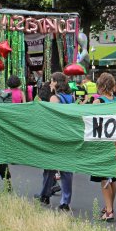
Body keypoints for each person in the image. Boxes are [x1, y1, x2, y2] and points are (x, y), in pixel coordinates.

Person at [35, 73, 75, 210]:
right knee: (66, 170)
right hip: (68, 135)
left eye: (51, 81)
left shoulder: (54, 98)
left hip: (55, 136)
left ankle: (45, 195)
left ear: (56, 83)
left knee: (49, 167)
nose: (50, 84)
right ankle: (65, 201)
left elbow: (51, 118)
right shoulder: (71, 98)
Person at [92, 73, 116, 222]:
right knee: (112, 178)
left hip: (102, 143)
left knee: (104, 177)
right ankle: (109, 206)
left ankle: (109, 211)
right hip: (115, 142)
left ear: (101, 86)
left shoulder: (98, 101)